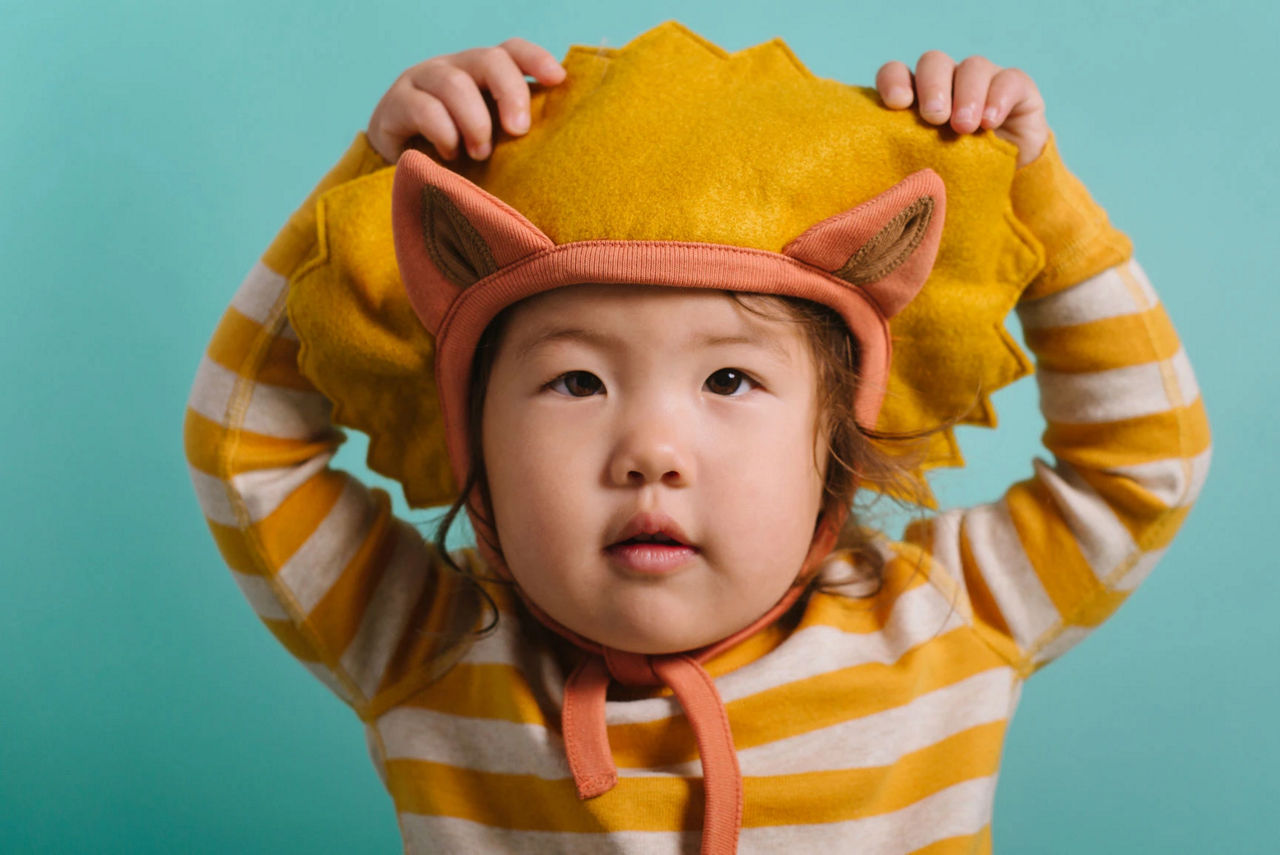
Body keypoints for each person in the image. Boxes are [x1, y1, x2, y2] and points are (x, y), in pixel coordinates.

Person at [184, 24, 1210, 854]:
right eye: (574, 379)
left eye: (729, 377)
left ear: (837, 441)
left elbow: (1140, 463)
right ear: (470, 441)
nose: (650, 450)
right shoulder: (426, 646)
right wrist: (371, 180)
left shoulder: (943, 619)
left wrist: (1027, 189)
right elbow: (244, 449)